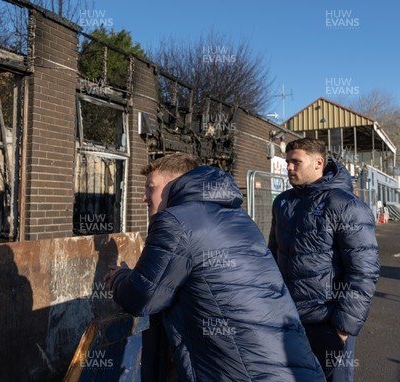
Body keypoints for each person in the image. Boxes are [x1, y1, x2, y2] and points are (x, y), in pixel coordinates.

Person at [105, 153, 325, 382]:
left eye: (151, 188)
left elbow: (143, 296)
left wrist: (120, 278)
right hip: (292, 367)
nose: (144, 197)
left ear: (175, 184)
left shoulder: (175, 221)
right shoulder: (237, 219)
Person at [269, 138, 380, 382]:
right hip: (289, 320)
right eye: (287, 162)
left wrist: (342, 328)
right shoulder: (283, 202)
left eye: (296, 162)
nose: (289, 167)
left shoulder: (346, 205)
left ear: (319, 162)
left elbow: (363, 272)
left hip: (328, 323)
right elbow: (273, 259)